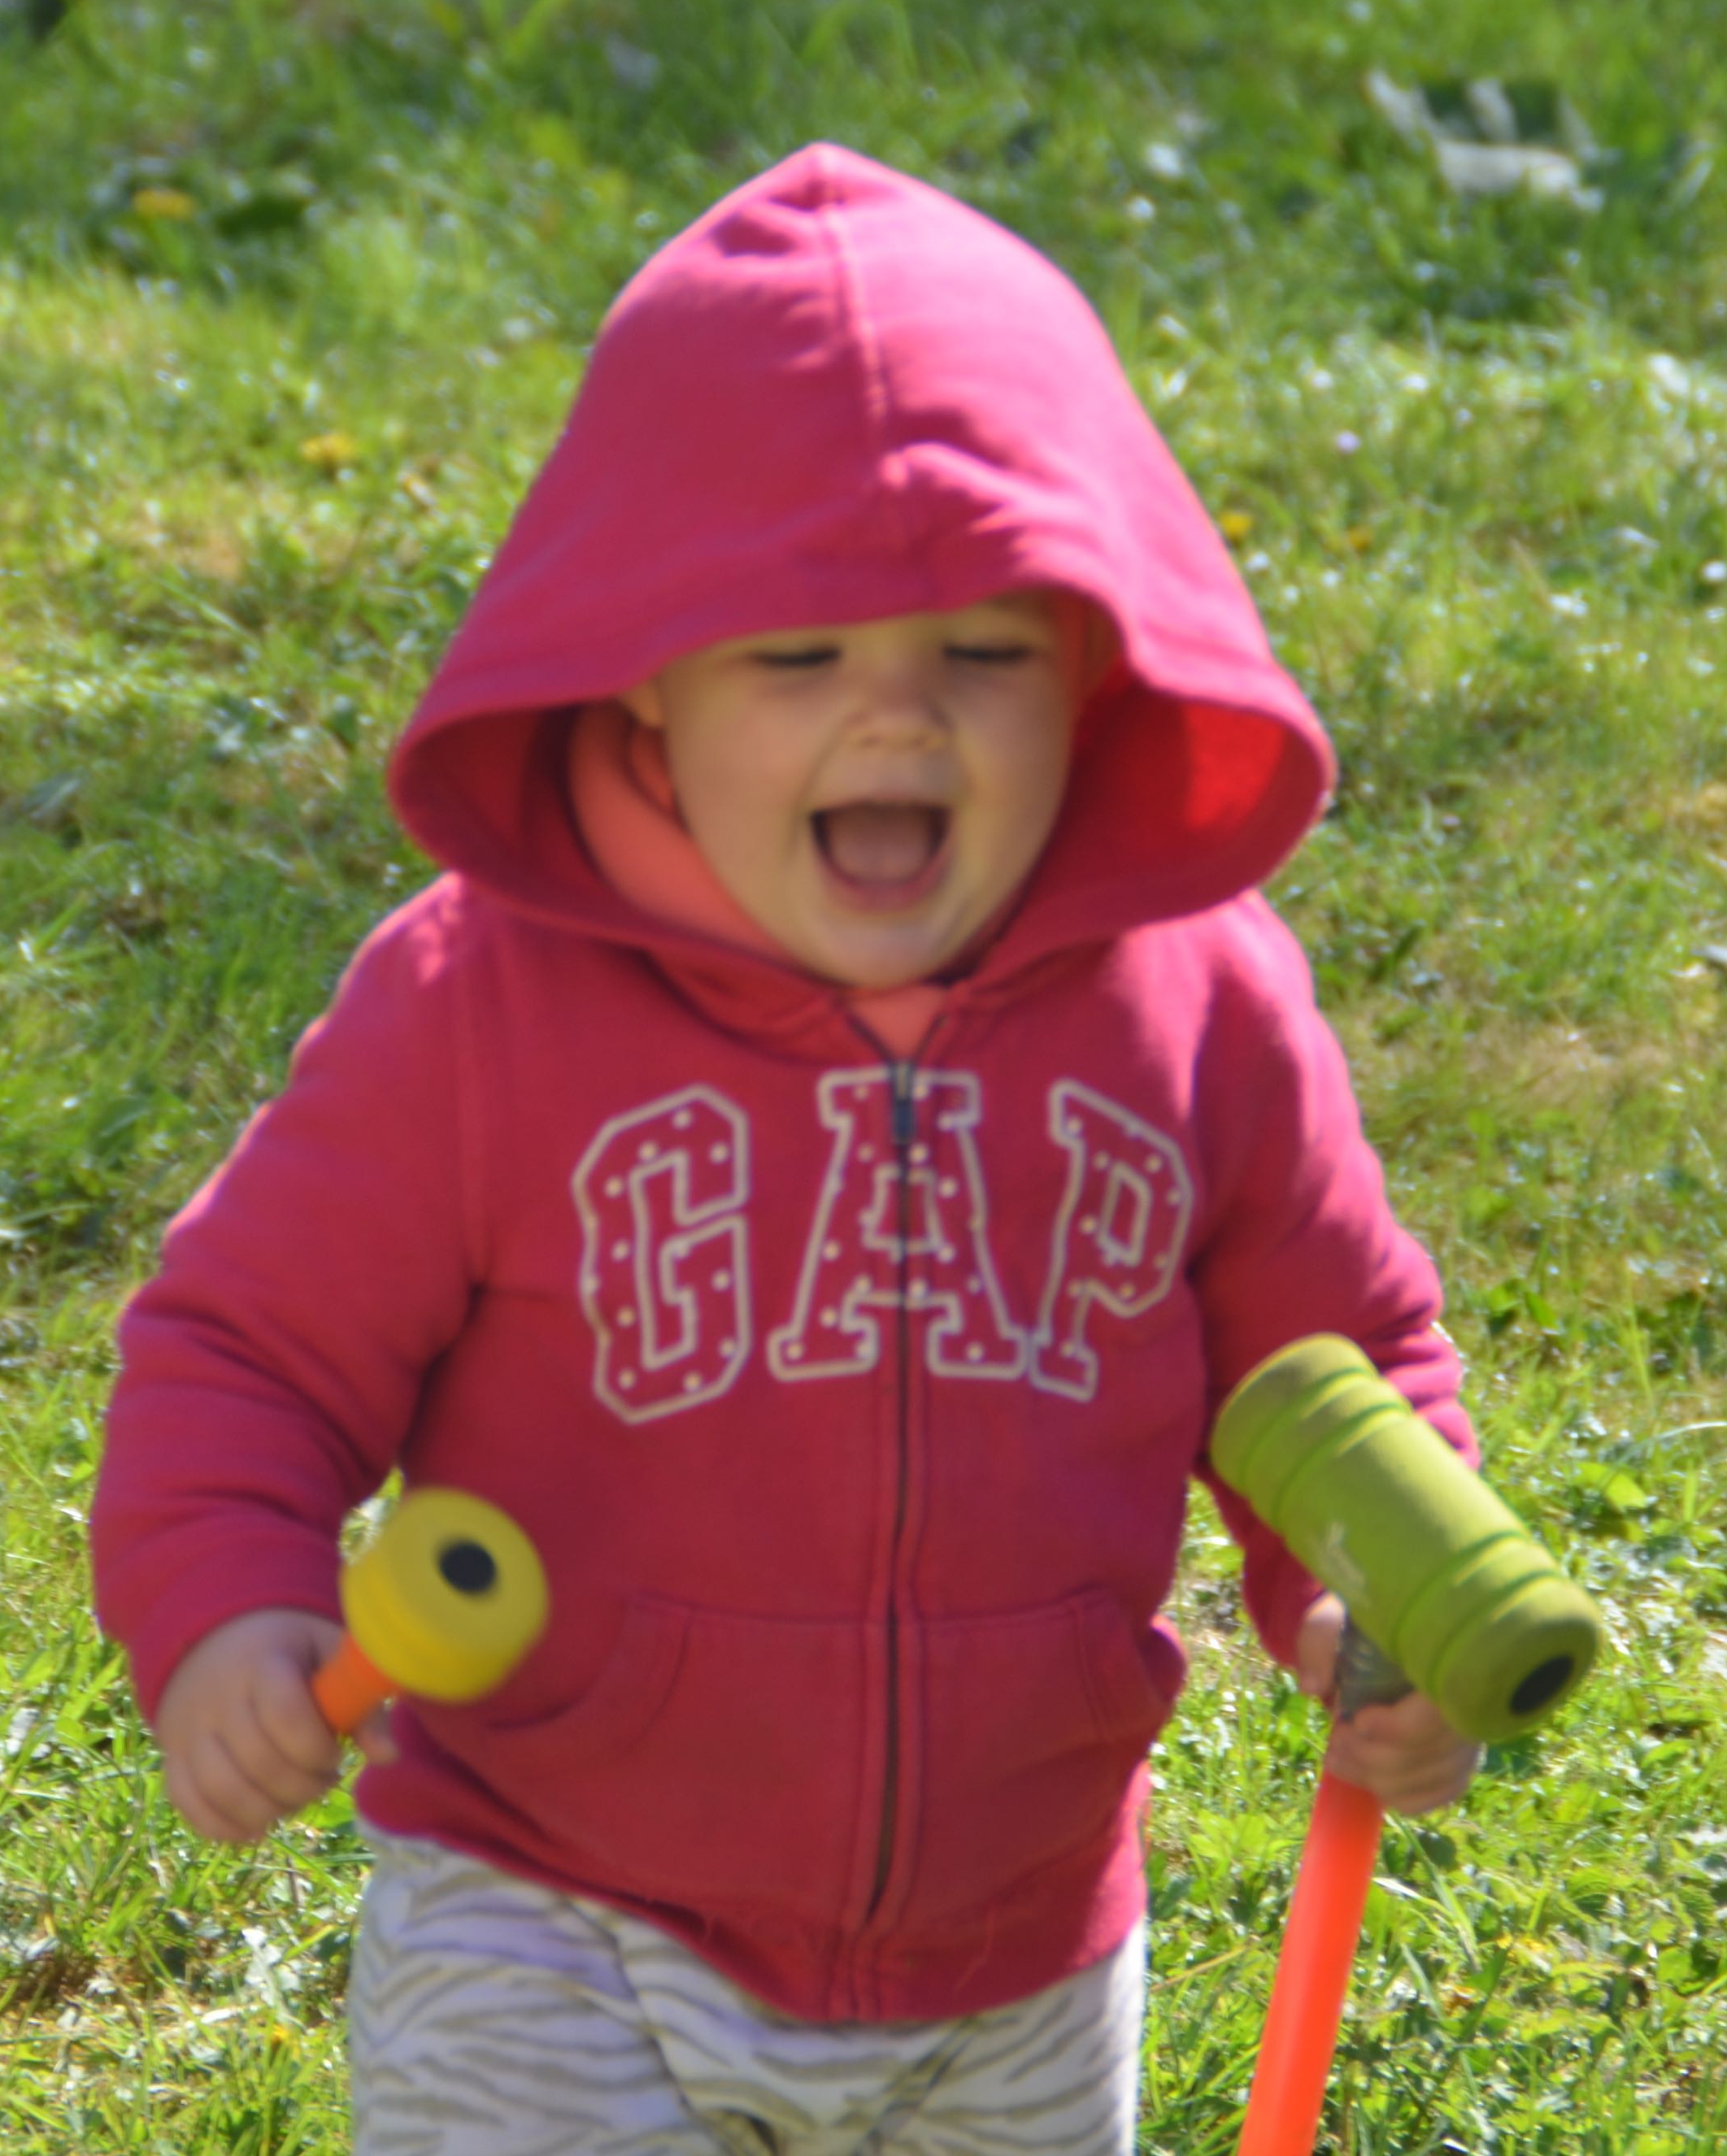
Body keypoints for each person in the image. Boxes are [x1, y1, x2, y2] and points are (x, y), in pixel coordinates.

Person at [89, 144, 1480, 2154]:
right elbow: (248, 1348)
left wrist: (1380, 1598)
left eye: (982, 653)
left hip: (1017, 1951)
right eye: (799, 656)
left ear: (1094, 663)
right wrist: (225, 1603)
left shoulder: (1196, 1000)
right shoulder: (484, 1002)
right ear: (645, 681)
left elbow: (1330, 1361)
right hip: (556, 1915)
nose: (897, 720)